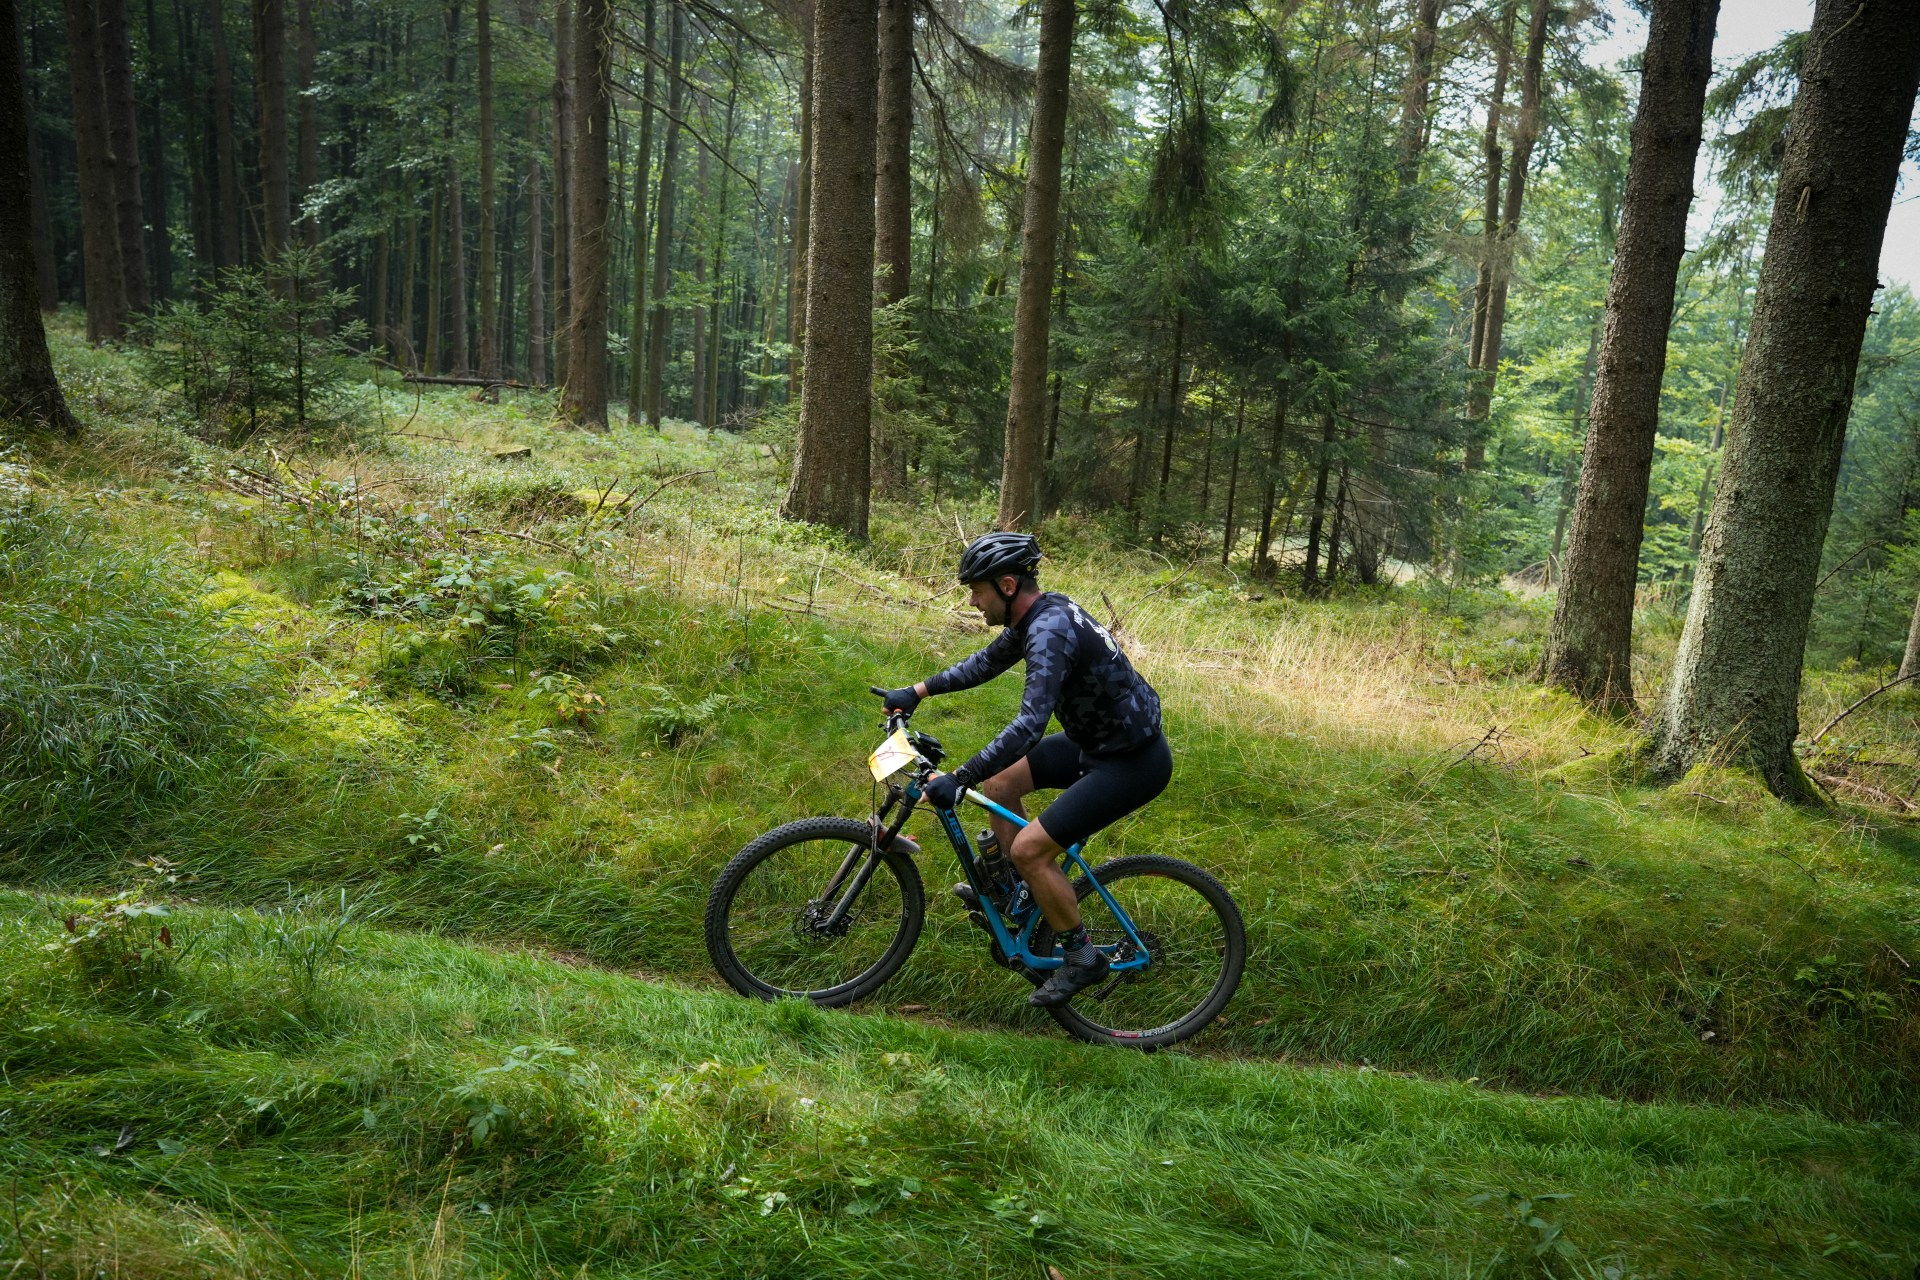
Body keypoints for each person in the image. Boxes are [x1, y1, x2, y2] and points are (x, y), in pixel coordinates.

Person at [882, 531, 1171, 1007]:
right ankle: (1020, 893)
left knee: (1031, 850)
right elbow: (986, 663)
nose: (973, 602)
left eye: (977, 591)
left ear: (1008, 585)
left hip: (1132, 763)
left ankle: (1082, 957)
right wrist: (916, 692)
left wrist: (960, 777)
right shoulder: (1038, 614)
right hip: (1095, 743)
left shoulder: (1050, 631)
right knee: (1000, 784)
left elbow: (1029, 725)